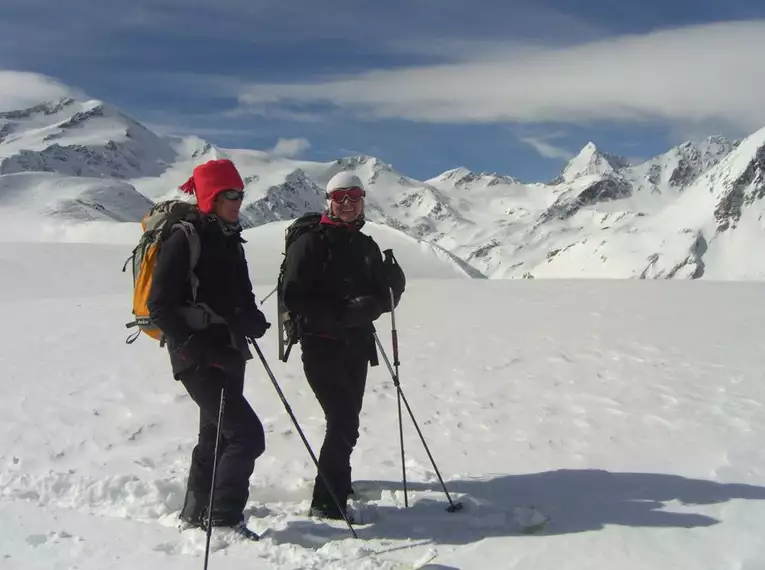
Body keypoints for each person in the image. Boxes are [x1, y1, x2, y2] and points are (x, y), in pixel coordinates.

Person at [148, 158, 270, 537]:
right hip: (198, 356)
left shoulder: (232, 238)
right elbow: (160, 305)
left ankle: (195, 513)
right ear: (211, 197)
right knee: (247, 436)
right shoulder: (185, 238)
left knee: (214, 437)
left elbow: (242, 295)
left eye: (240, 194)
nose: (237, 201)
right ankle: (223, 519)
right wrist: (188, 347)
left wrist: (253, 319)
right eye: (229, 194)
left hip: (230, 351)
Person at [279, 171, 406, 521]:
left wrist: (392, 290)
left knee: (347, 418)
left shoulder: (366, 246)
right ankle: (327, 502)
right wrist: (347, 311)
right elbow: (294, 296)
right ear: (329, 201)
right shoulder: (310, 243)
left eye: (353, 196)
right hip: (320, 345)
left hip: (356, 346)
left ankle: (340, 480)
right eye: (340, 197)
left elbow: (380, 297)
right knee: (343, 420)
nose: (347, 203)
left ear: (363, 199)